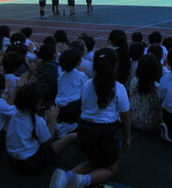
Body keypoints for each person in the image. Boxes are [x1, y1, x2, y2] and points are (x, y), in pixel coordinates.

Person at [49, 47, 131, 188]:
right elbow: (125, 117)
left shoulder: (87, 86)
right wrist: (127, 137)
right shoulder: (119, 88)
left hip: (84, 134)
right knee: (111, 169)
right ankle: (83, 181)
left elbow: (84, 108)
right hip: (104, 137)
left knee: (95, 161)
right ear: (116, 65)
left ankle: (66, 177)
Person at [6, 82, 77, 174]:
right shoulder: (37, 121)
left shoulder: (14, 113)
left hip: (13, 162)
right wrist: (53, 121)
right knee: (72, 136)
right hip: (30, 164)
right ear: (38, 102)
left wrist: (47, 123)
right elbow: (48, 143)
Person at [129, 54, 162, 132]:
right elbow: (159, 107)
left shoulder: (134, 81)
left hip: (132, 120)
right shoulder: (156, 87)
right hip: (149, 125)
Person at [55, 48, 88, 127]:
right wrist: (83, 73)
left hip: (59, 106)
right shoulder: (80, 75)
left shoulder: (61, 76)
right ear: (78, 62)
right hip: (73, 107)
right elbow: (86, 87)